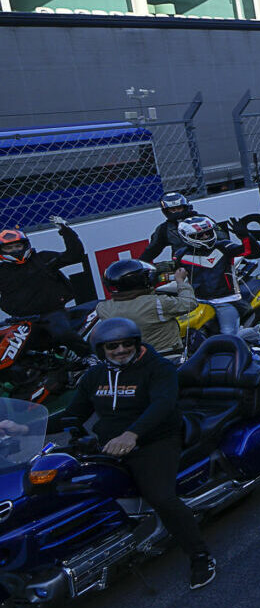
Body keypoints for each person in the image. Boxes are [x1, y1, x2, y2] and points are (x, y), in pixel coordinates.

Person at [49, 317, 215, 588]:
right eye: (112, 346)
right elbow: (72, 414)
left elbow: (162, 405)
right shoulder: (94, 376)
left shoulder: (158, 368)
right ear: (100, 349)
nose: (121, 350)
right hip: (110, 445)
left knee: (161, 497)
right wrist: (24, 427)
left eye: (128, 343)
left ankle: (200, 556)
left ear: (137, 343)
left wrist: (132, 434)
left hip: (155, 440)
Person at [0, 219, 89, 349]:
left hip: (51, 313)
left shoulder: (43, 259)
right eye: (9, 248)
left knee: (63, 334)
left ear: (25, 245)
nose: (14, 250)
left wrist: (65, 230)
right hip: (19, 319)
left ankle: (89, 356)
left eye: (18, 246)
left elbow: (74, 255)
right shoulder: (2, 271)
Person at [93, 258, 201, 358]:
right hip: (168, 356)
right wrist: (181, 281)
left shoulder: (103, 308)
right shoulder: (156, 303)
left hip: (133, 359)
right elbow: (190, 302)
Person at [139, 193, 198, 261]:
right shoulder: (164, 229)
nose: (176, 212)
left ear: (185, 207)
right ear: (166, 211)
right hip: (183, 265)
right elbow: (151, 251)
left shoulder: (202, 220)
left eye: (179, 208)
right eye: (173, 209)